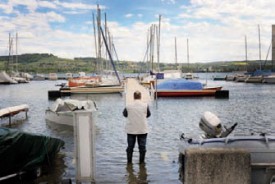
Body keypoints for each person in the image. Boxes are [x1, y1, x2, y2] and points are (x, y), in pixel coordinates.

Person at [123, 90, 151, 164]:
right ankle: (141, 163)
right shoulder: (145, 105)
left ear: (133, 97)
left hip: (131, 129)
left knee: (130, 147)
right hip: (142, 129)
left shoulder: (128, 105)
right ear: (140, 97)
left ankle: (129, 163)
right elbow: (148, 115)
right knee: (142, 148)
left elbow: (125, 114)